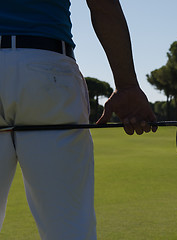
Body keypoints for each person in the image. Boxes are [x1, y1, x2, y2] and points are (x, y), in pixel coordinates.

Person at [0, 0, 157, 239]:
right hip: (48, 69)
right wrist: (126, 86)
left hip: (48, 68)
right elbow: (104, 6)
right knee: (68, 229)